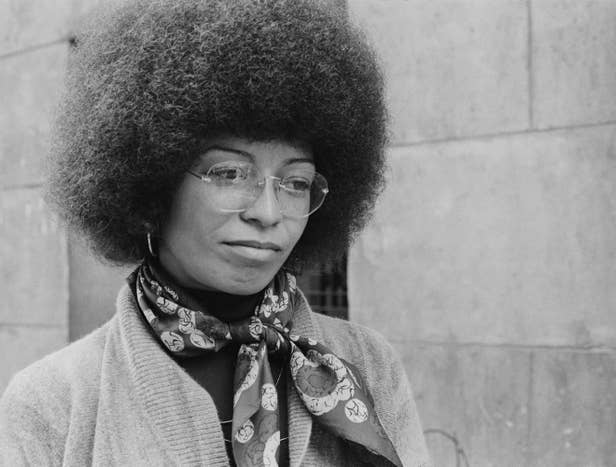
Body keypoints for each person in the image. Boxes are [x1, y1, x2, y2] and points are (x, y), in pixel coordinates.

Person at [0, 0, 431, 466]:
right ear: (152, 183)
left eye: (297, 182)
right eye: (229, 173)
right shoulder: (55, 400)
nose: (268, 213)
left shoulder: (368, 364)